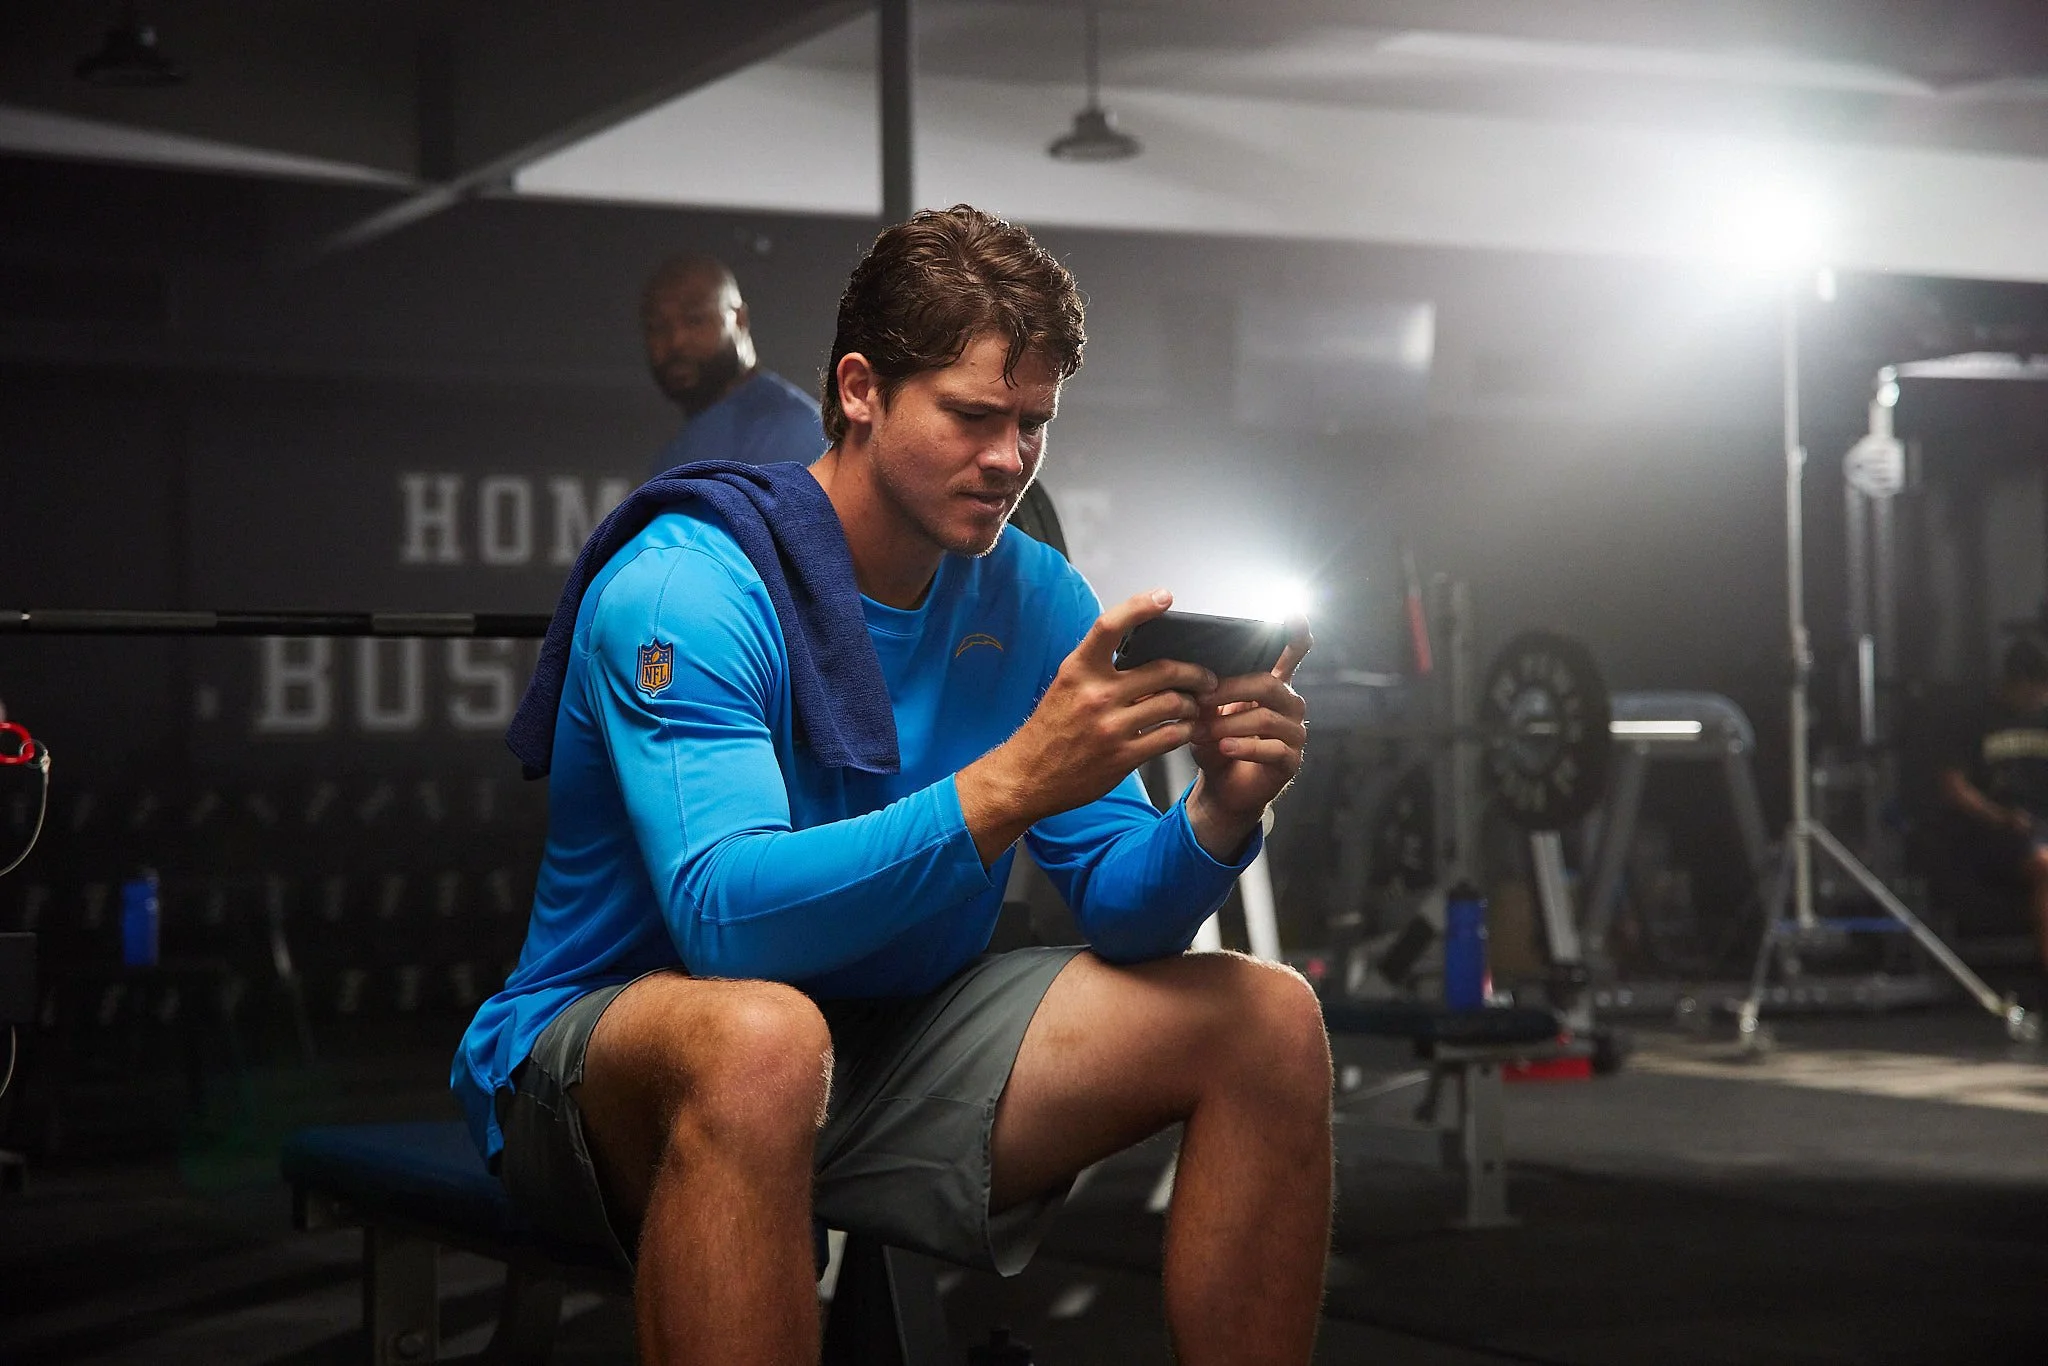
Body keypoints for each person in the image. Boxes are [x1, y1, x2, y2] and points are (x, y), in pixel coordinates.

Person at [456, 205, 1329, 1366]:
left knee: (1264, 1016)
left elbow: (1123, 905)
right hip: (612, 1052)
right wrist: (1008, 784)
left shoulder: (1031, 595)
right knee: (763, 1038)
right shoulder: (688, 586)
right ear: (859, 389)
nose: (1010, 459)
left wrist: (1221, 809)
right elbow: (721, 922)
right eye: (972, 415)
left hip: (883, 1036)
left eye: (1033, 424)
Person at [641, 253, 827, 474]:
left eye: (695, 319)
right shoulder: (685, 446)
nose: (676, 341)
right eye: (657, 327)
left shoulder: (792, 430)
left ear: (739, 319)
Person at [1939, 633, 2048, 988]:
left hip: (2041, 825)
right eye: (2036, 690)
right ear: (2017, 684)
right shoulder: (1975, 720)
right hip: (1997, 830)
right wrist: (1999, 816)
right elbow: (1954, 787)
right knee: (2046, 867)